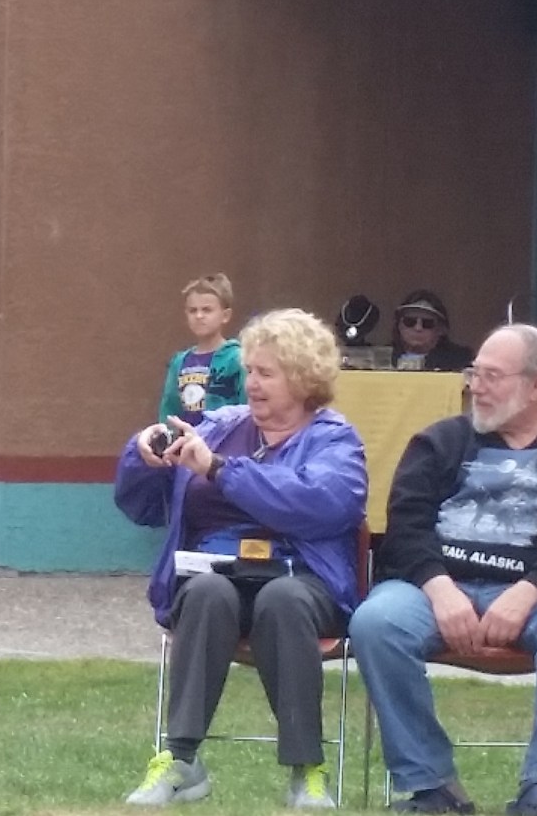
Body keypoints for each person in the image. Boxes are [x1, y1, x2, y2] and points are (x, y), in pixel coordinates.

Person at [115, 309, 368, 809]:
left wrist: (220, 471)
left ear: (303, 379)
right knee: (207, 593)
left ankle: (307, 770)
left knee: (283, 599)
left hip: (302, 576)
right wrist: (141, 457)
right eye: (250, 370)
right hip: (214, 570)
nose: (251, 383)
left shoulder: (335, 439)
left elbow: (320, 504)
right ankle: (181, 761)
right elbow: (140, 506)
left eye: (266, 373)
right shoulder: (218, 426)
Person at [349, 324, 537, 815]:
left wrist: (530, 588)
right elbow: (405, 528)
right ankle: (433, 786)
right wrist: (440, 589)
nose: (475, 386)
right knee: (376, 622)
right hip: (435, 588)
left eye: (492, 376)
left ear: (536, 384)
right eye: (475, 373)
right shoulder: (439, 441)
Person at [160, 274, 246, 425]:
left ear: (225, 316)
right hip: (185, 438)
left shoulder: (237, 358)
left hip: (225, 437)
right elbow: (169, 409)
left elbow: (247, 407)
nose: (199, 316)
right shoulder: (179, 362)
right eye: (193, 310)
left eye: (207, 310)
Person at [391, 290, 475, 373]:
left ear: (441, 329)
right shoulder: (385, 356)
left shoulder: (460, 360)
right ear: (399, 325)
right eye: (410, 322)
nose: (418, 328)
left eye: (427, 323)